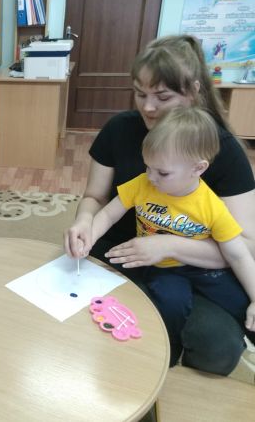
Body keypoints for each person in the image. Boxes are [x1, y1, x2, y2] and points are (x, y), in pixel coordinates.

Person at [64, 34, 255, 375]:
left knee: (218, 346)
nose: (148, 107)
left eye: (163, 97)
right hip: (123, 251)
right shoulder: (120, 129)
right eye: (140, 94)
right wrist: (84, 223)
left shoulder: (222, 151)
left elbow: (244, 248)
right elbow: (97, 198)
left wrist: (168, 246)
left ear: (193, 91)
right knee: (81, 308)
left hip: (195, 265)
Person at [82, 107, 255, 362]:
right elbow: (108, 214)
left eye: (162, 172)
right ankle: (169, 352)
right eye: (147, 166)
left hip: (200, 265)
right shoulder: (142, 183)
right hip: (161, 266)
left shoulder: (212, 206)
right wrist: (89, 234)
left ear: (198, 168)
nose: (150, 177)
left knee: (240, 302)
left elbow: (238, 255)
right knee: (171, 303)